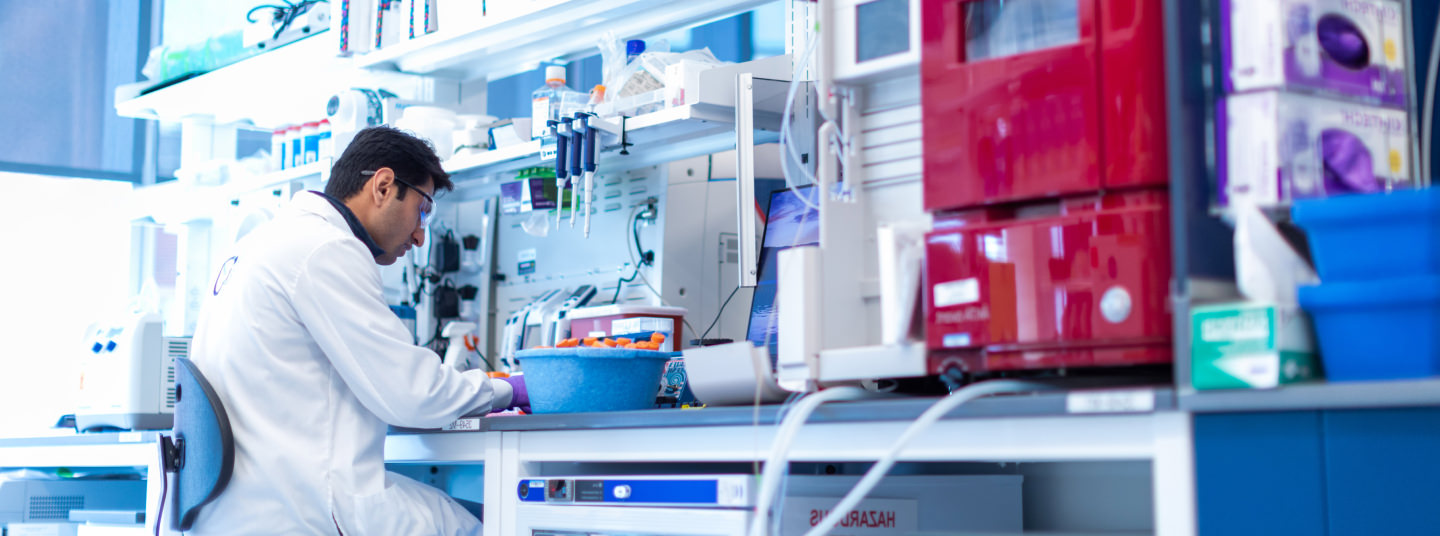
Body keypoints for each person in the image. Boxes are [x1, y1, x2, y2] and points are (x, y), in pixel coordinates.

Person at [188, 126, 525, 535]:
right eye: (423, 210)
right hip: (302, 509)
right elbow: (413, 394)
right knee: (490, 523)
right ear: (383, 186)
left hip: (239, 510)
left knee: (453, 509)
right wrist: (507, 389)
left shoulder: (256, 244)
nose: (420, 236)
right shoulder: (326, 247)